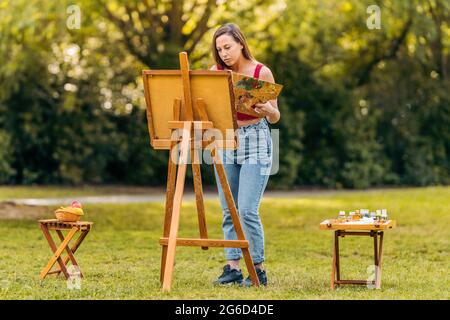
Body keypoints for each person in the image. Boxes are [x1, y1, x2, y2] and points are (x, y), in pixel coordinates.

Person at [210, 23, 280, 286]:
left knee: (247, 209)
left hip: (257, 140)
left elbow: (276, 116)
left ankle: (257, 270)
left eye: (228, 47)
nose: (224, 53)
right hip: (227, 140)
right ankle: (232, 268)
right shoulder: (215, 73)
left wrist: (267, 110)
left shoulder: (262, 71)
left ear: (240, 42)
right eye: (219, 49)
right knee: (229, 209)